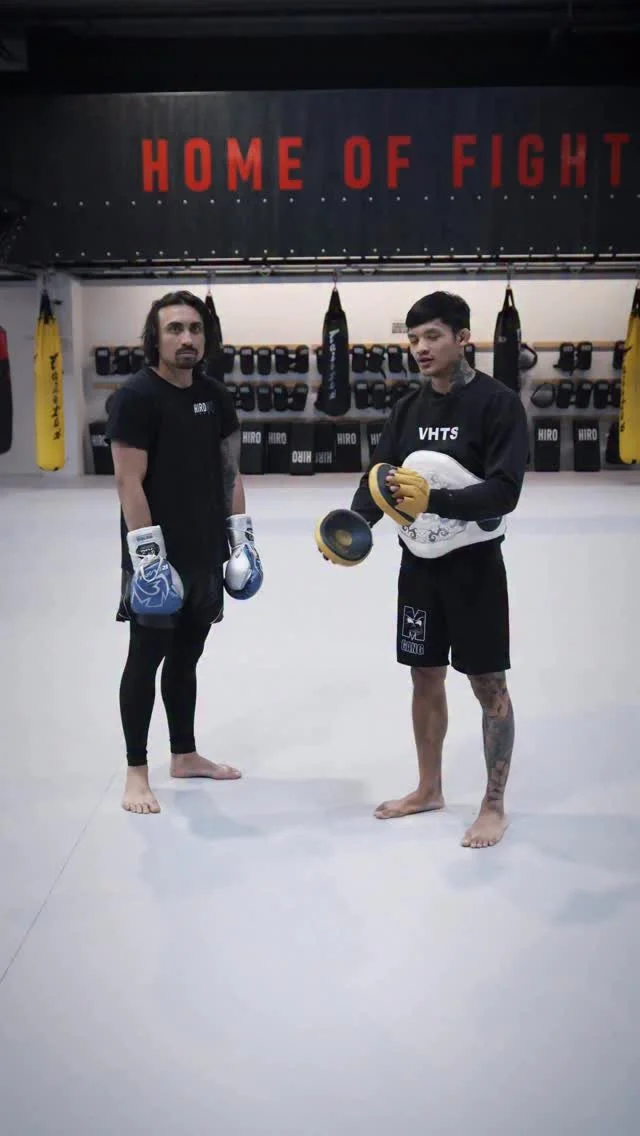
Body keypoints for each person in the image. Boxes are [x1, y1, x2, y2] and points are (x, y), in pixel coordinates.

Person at [316, 291, 529, 848]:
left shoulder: (498, 404)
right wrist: (351, 527)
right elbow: (381, 478)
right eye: (413, 339)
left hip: (475, 568)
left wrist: (434, 500)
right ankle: (429, 788)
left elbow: (504, 492)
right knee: (424, 674)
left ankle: (493, 804)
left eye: (432, 336)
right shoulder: (407, 409)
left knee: (488, 685)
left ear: (463, 338)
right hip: (419, 568)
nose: (420, 348)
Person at [105, 290, 263, 815]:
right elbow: (129, 483)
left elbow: (230, 472)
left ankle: (185, 754)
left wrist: (241, 541)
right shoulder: (135, 397)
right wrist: (150, 562)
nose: (187, 338)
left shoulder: (215, 395)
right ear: (155, 337)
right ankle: (136, 771)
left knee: (187, 656)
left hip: (205, 553)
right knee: (145, 658)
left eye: (195, 329)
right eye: (174, 329)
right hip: (158, 557)